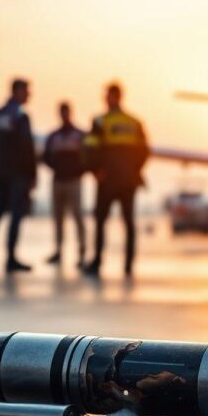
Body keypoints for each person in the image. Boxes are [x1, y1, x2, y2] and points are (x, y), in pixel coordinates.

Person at [82, 82, 150, 277]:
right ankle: (128, 264)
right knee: (127, 222)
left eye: (108, 95)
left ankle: (98, 261)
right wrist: (134, 170)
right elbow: (145, 151)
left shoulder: (102, 121)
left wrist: (95, 170)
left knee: (103, 220)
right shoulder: (134, 122)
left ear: (114, 96)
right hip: (127, 180)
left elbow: (90, 148)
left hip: (108, 180)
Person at [0, 78, 37, 275]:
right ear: (17, 91)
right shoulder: (19, 117)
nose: (29, 95)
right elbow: (27, 148)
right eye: (27, 91)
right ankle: (10, 257)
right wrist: (32, 175)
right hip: (17, 174)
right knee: (15, 216)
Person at [43, 102, 87, 267]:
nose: (64, 115)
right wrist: (57, 167)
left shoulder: (79, 135)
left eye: (66, 112)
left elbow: (87, 156)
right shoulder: (54, 136)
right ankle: (58, 250)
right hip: (58, 180)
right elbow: (46, 157)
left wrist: (79, 171)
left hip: (74, 181)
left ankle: (82, 251)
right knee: (58, 218)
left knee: (77, 216)